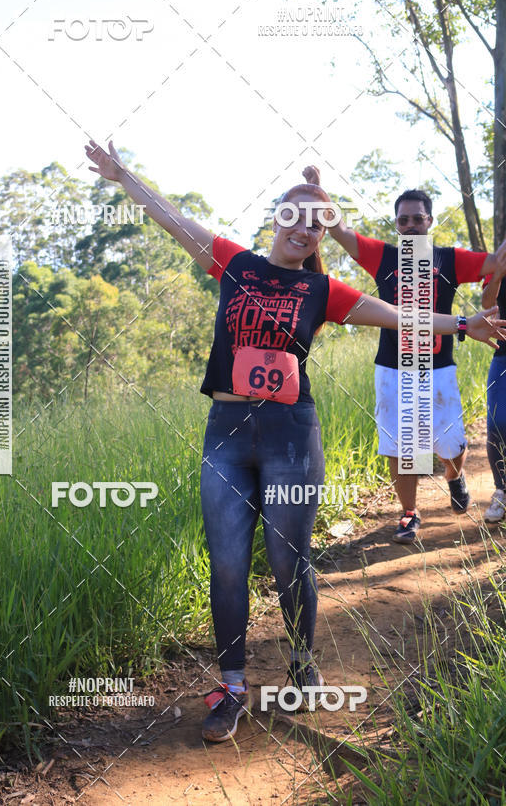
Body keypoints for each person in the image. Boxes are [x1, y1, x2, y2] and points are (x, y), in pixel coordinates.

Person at [84, 139, 506, 743]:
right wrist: (126, 177)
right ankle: (231, 688)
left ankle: (303, 665)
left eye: (316, 220)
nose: (304, 227)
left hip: (291, 434)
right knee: (227, 563)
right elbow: (174, 218)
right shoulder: (235, 264)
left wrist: (464, 323)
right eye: (294, 213)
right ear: (276, 217)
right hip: (226, 433)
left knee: (287, 559)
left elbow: (400, 315)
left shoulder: (324, 291)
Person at [326, 183, 506, 543]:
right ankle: (409, 513)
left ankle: (454, 476)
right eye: (403, 219)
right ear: (396, 224)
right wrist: (317, 192)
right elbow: (339, 230)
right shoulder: (383, 257)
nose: (410, 225)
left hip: (439, 367)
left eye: (417, 219)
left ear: (430, 221)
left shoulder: (449, 259)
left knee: (450, 445)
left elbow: (495, 263)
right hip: (392, 369)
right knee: (401, 446)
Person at [481, 246, 506, 523]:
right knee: (498, 421)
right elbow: (487, 308)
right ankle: (502, 489)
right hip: (504, 354)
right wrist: (497, 275)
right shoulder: (498, 264)